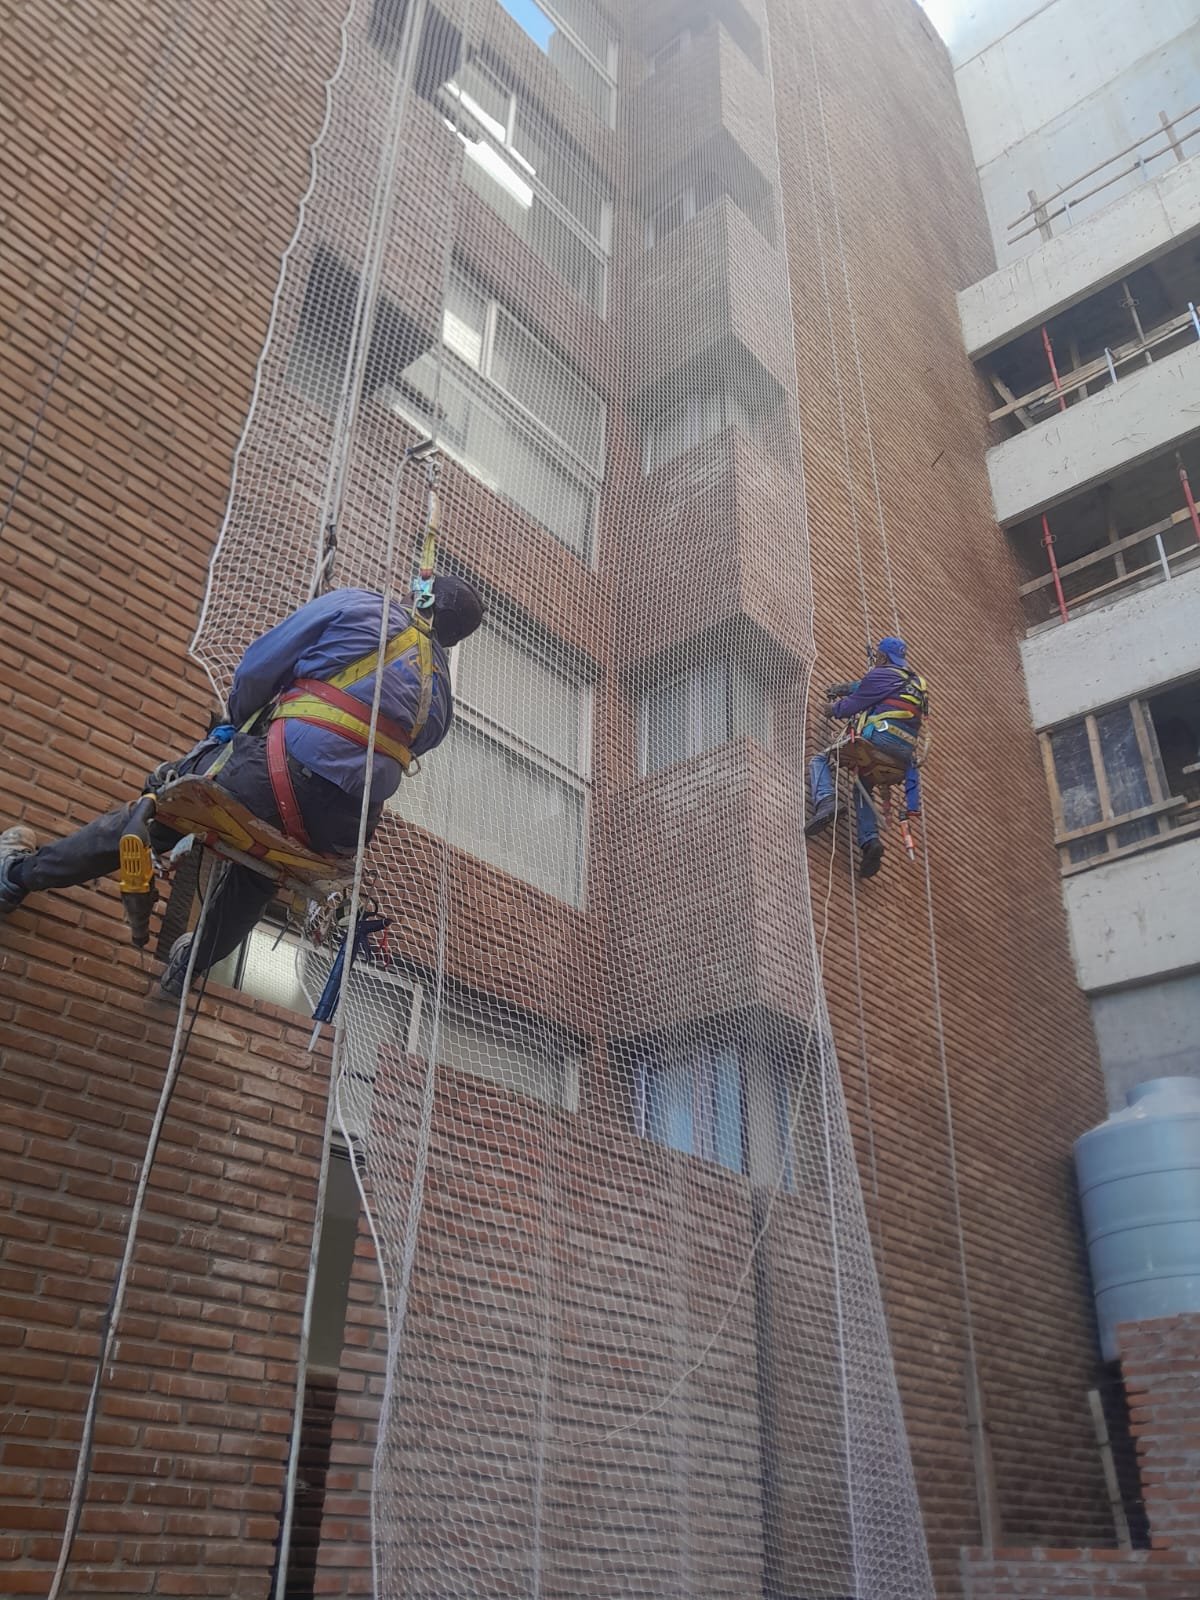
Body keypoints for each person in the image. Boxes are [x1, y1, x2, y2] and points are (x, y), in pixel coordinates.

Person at [0, 579, 484, 992]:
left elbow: (259, 666)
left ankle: (17, 877)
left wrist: (234, 726)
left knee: (160, 806)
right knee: (261, 868)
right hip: (339, 831)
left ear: (417, 596)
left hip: (271, 775)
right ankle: (190, 966)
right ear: (455, 638)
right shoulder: (440, 697)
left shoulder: (360, 607)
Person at [804, 635, 928, 879]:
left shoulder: (881, 675)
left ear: (881, 657)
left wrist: (834, 709)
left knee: (819, 760)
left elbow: (857, 702)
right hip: (904, 754)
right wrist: (843, 688)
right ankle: (870, 843)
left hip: (882, 739)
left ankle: (826, 802)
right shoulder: (914, 682)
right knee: (862, 787)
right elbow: (868, 687)